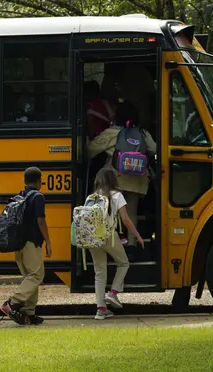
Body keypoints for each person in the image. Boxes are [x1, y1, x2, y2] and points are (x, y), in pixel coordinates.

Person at [88, 100, 156, 256]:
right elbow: (154, 148)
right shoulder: (143, 133)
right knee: (131, 211)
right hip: (137, 179)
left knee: (110, 212)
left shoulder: (112, 132)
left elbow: (91, 149)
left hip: (114, 179)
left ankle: (110, 246)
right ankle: (131, 246)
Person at [0, 167, 52, 325]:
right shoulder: (38, 197)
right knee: (36, 275)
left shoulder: (19, 196)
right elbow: (40, 220)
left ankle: (29, 312)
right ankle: (12, 303)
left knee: (30, 277)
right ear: (39, 180)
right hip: (31, 242)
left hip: (18, 243)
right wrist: (48, 241)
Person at [90, 168, 144, 320]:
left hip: (92, 237)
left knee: (99, 273)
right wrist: (137, 236)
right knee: (123, 263)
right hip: (108, 236)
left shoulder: (93, 197)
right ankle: (113, 293)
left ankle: (100, 309)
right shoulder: (117, 195)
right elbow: (126, 220)